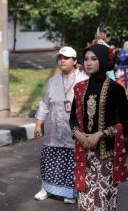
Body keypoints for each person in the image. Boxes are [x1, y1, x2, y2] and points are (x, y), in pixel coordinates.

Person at [70, 44, 128, 210]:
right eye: (86, 59)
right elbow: (72, 120)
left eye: (94, 59)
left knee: (102, 201)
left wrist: (100, 134)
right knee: (85, 201)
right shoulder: (79, 88)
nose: (88, 63)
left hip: (106, 157)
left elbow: (127, 125)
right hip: (84, 154)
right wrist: (79, 135)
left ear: (103, 61)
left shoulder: (115, 89)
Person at [34, 46, 88, 204]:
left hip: (75, 131)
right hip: (55, 130)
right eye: (60, 58)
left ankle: (71, 192)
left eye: (66, 57)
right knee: (49, 160)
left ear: (75, 61)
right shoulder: (52, 82)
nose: (62, 60)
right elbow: (44, 104)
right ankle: (46, 188)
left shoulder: (84, 81)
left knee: (72, 162)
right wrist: (38, 124)